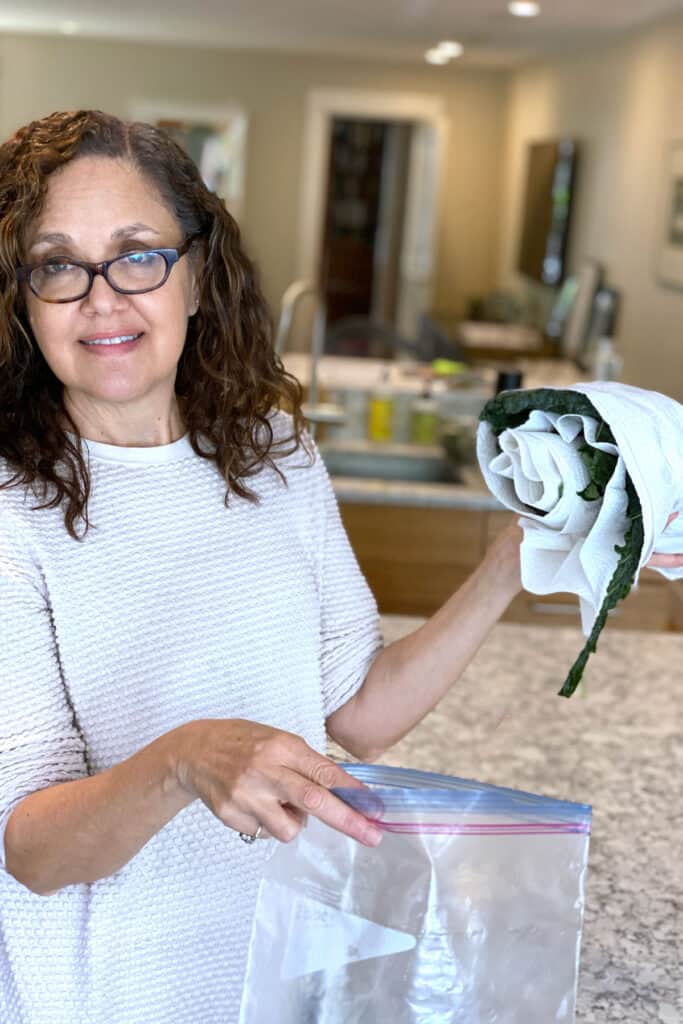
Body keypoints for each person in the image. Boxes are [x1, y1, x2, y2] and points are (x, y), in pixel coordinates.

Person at [0, 110, 680, 1024]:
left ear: (195, 276)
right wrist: (181, 763)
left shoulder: (273, 455)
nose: (102, 298)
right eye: (56, 265)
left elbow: (360, 711)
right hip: (109, 996)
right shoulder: (13, 509)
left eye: (137, 254)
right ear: (23, 299)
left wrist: (525, 551)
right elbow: (33, 850)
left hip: (284, 976)